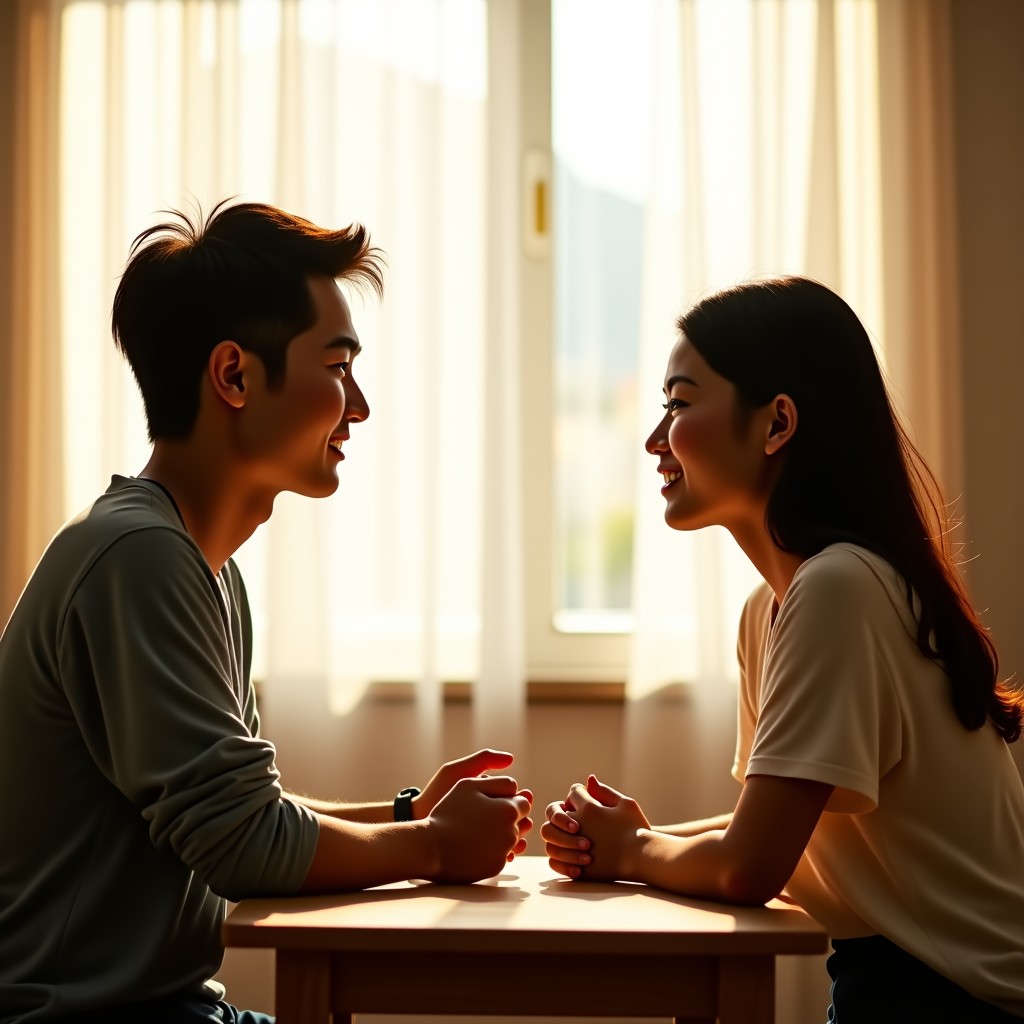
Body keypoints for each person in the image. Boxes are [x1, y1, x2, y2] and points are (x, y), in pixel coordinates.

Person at [0, 200, 533, 1024]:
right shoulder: (138, 558)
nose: (359, 406)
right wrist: (433, 847)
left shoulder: (202, 568)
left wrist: (407, 818)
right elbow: (245, 846)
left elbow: (245, 813)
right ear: (235, 376)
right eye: (337, 366)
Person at [541, 276, 1024, 1023]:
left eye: (678, 404)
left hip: (956, 1000)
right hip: (896, 984)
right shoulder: (771, 608)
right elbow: (773, 829)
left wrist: (631, 850)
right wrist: (630, 837)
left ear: (777, 423)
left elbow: (750, 866)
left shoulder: (839, 588)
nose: (655, 439)